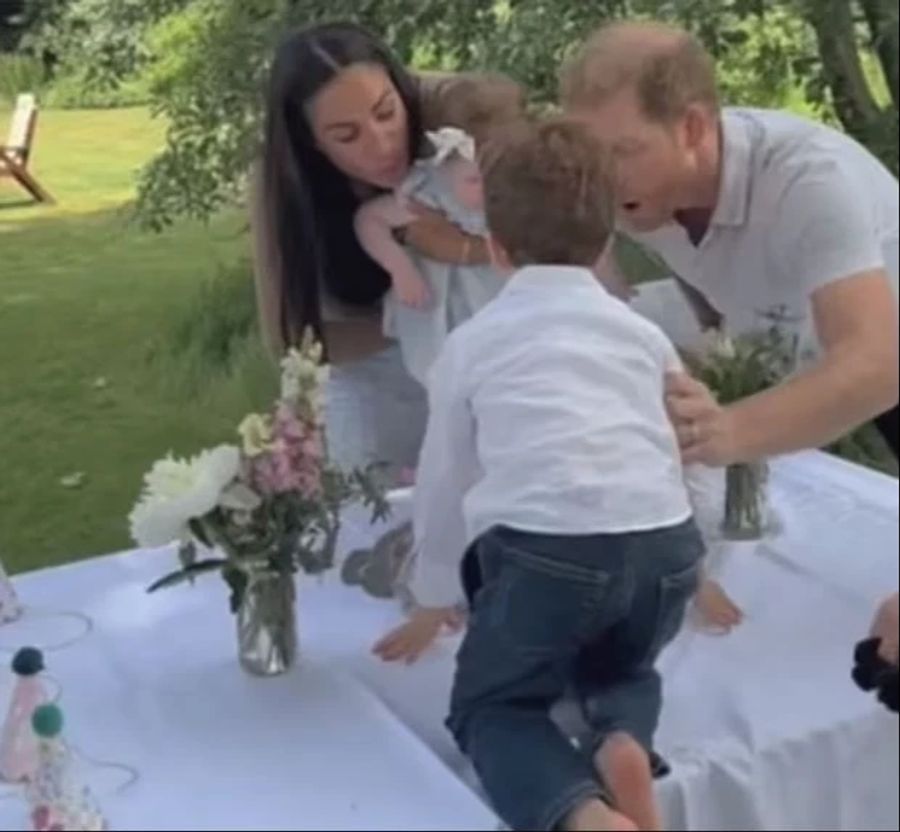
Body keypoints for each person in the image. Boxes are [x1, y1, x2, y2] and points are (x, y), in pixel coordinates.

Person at [376, 119, 713, 832]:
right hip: (664, 548)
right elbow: (686, 442)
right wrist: (696, 550)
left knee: (491, 705)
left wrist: (435, 591)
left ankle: (586, 818)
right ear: (606, 240)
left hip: (548, 554)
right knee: (624, 667)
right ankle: (622, 737)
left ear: (495, 248)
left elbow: (445, 483)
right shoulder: (642, 334)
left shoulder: (473, 345)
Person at [561, 21, 899, 467]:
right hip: (816, 362)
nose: (600, 177)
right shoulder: (641, 190)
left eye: (623, 151)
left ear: (693, 128)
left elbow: (879, 364)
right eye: (589, 153)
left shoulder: (809, 181)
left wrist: (728, 431)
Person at [250, 22, 502, 482]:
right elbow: (295, 336)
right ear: (312, 144)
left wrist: (461, 251)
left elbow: (559, 221)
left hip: (496, 328)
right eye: (347, 136)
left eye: (387, 113)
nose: (383, 145)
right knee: (372, 493)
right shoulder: (286, 186)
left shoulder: (461, 113)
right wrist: (414, 316)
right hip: (374, 355)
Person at [355, 76, 524, 384]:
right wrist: (400, 268)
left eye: (502, 170)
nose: (490, 188)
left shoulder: (518, 189)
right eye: (474, 179)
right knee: (455, 372)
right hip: (447, 308)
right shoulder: (429, 192)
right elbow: (369, 220)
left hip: (503, 298)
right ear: (444, 165)